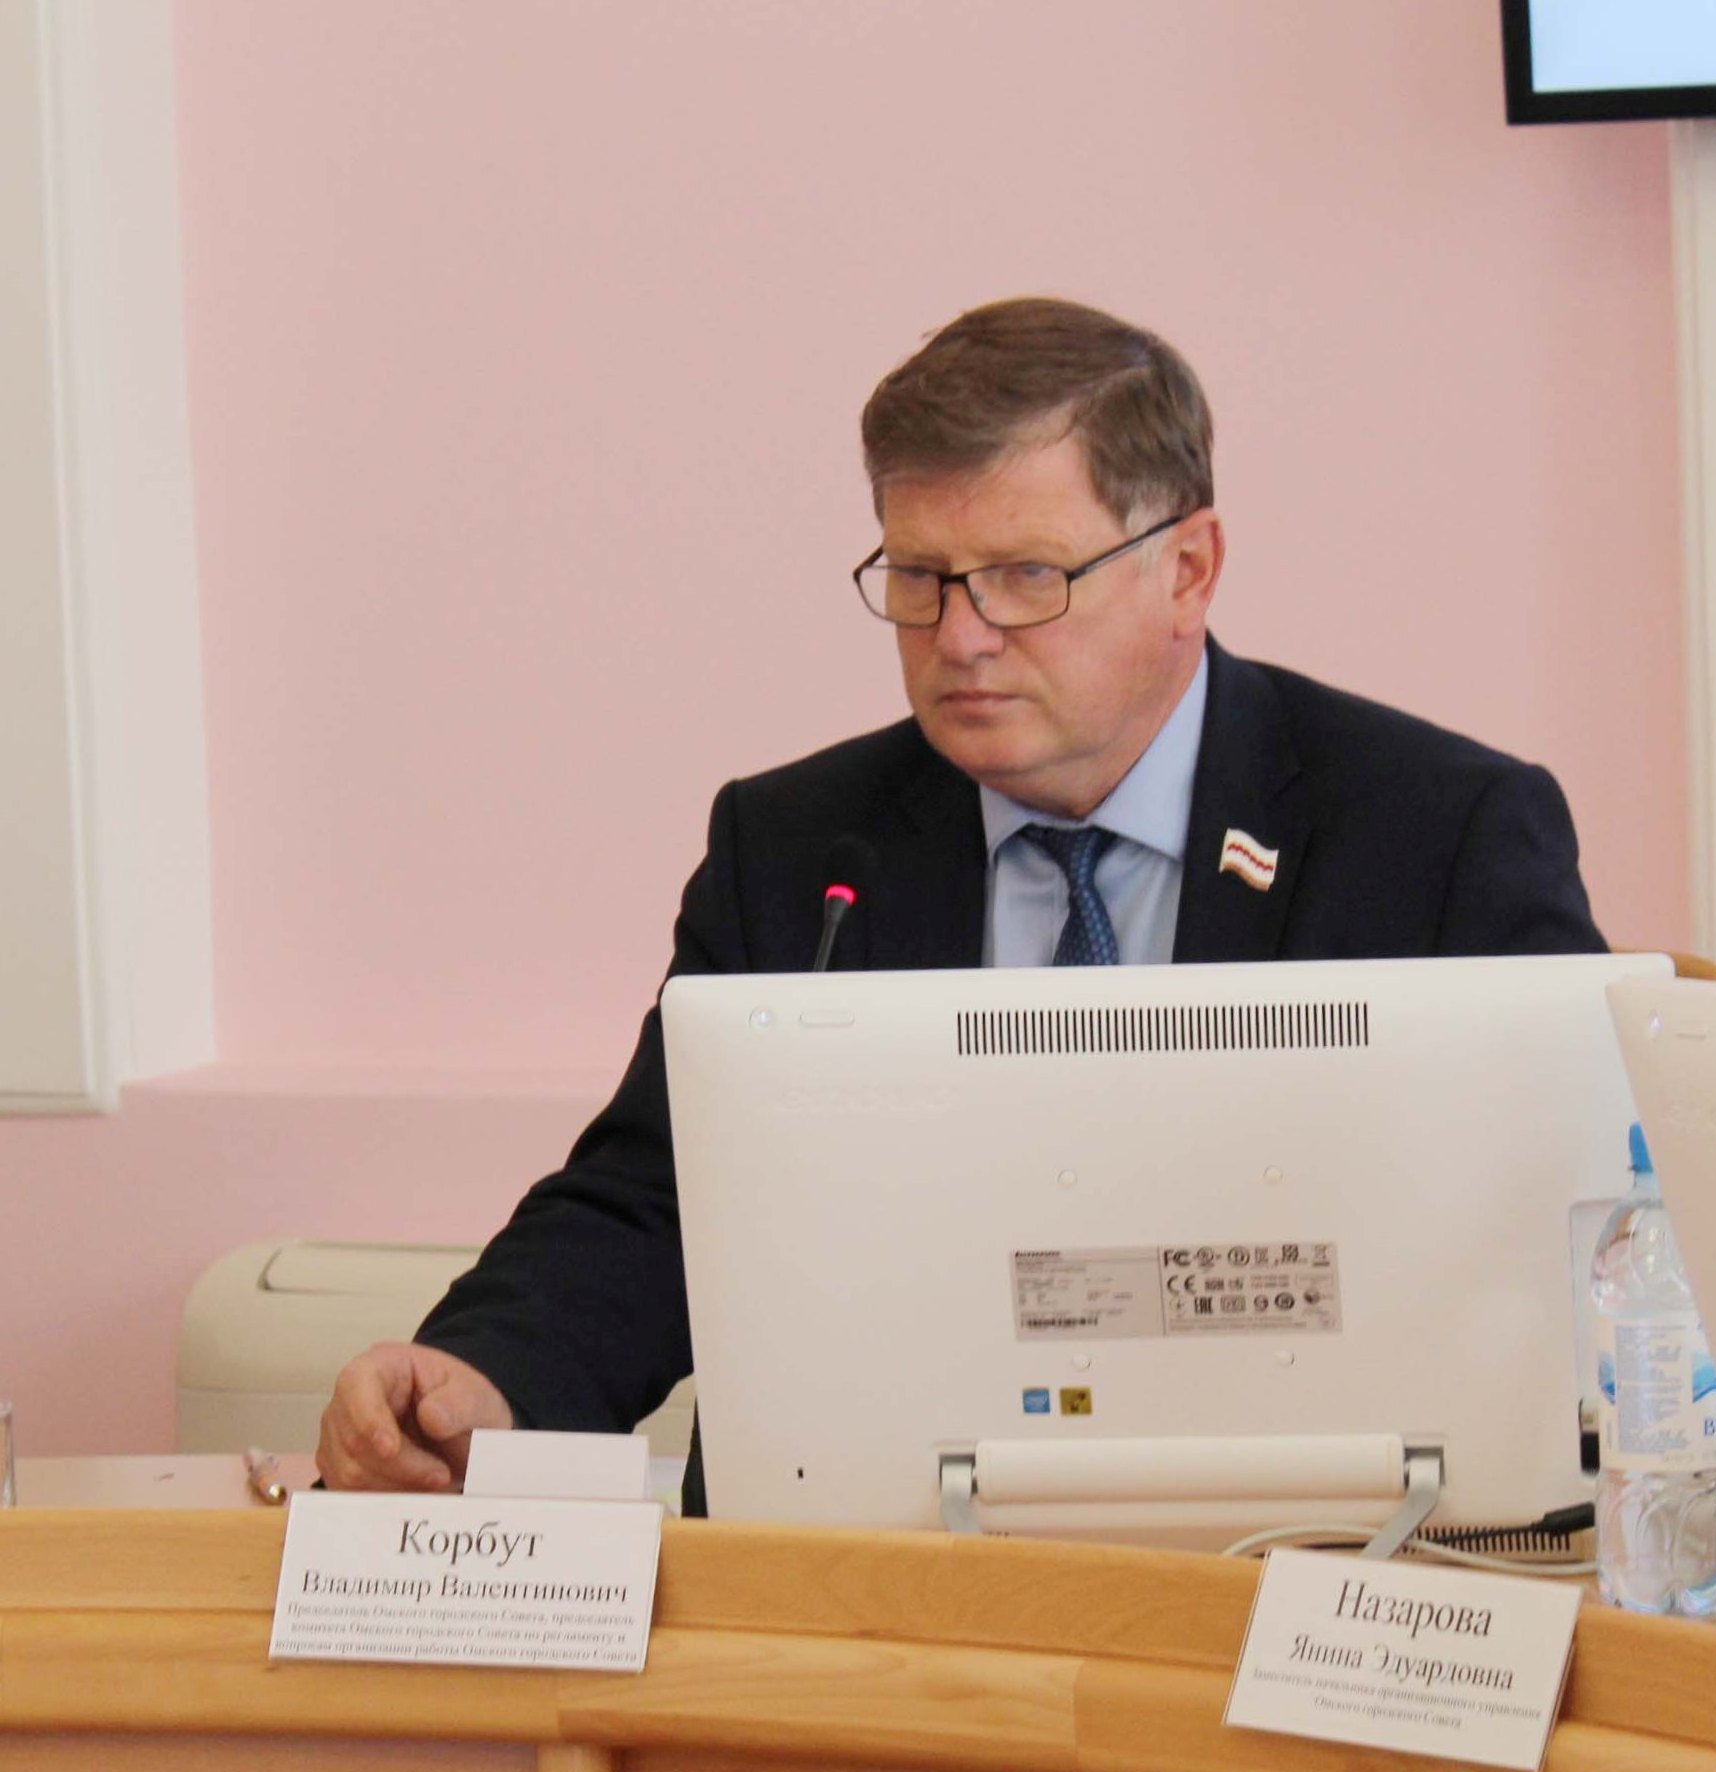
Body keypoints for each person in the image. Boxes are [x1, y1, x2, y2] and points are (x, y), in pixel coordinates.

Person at [317, 297, 1607, 1508]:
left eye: (1026, 576)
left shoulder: (1434, 835)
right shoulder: (801, 850)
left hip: (1314, 1552)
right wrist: (482, 1382)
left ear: (1188, 569)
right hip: (878, 1563)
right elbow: (657, 1205)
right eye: (921, 577)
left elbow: (1578, 1231)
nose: (961, 636)